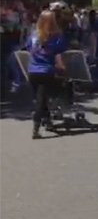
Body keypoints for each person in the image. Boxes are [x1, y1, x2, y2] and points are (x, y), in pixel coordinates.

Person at [26, 10, 68, 139]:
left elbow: (29, 51)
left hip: (33, 71)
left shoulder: (33, 36)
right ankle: (36, 128)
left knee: (40, 99)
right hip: (47, 71)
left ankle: (48, 121)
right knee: (41, 100)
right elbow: (58, 57)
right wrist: (63, 68)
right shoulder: (56, 37)